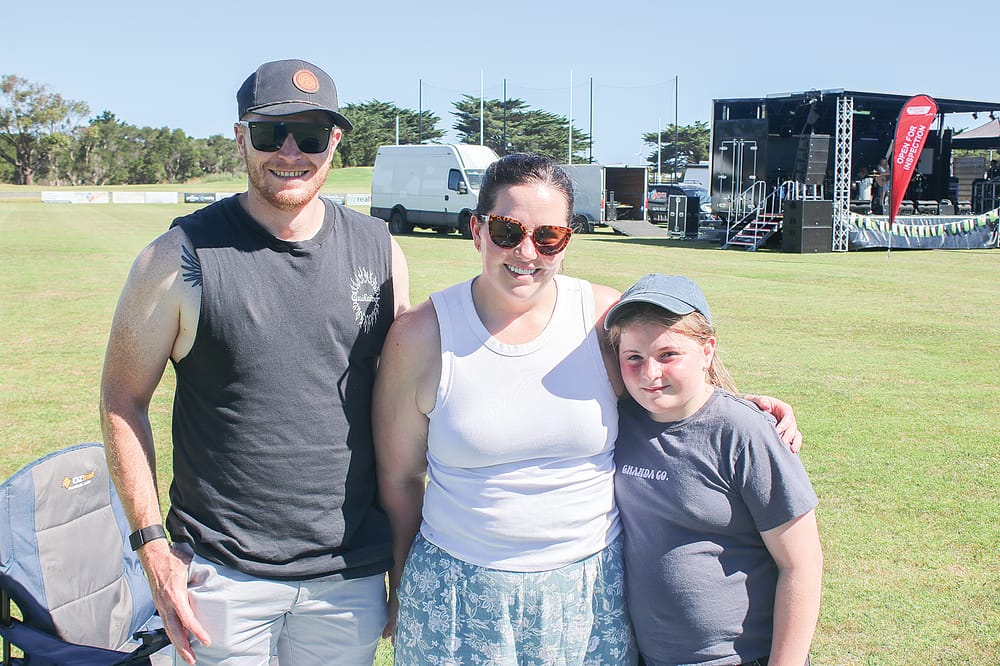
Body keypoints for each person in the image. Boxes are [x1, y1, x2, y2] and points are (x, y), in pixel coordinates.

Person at [373, 153, 802, 665]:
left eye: (549, 237)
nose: (527, 252)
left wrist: (745, 409)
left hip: (589, 595)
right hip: (455, 595)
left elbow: (669, 375)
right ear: (477, 230)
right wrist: (400, 582)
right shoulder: (421, 335)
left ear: (567, 241)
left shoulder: (600, 317)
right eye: (508, 230)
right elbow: (400, 481)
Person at [99, 58, 409, 665]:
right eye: (270, 134)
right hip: (221, 578)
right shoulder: (177, 257)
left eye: (311, 136)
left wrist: (401, 559)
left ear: (336, 143)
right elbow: (121, 398)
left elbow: (401, 414)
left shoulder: (381, 250)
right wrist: (151, 546)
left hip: (347, 579)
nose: (290, 152)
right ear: (241, 137)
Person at [605, 274, 823, 666]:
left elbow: (802, 563)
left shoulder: (745, 432)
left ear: (707, 351)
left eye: (668, 355)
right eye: (633, 357)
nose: (650, 374)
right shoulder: (617, 420)